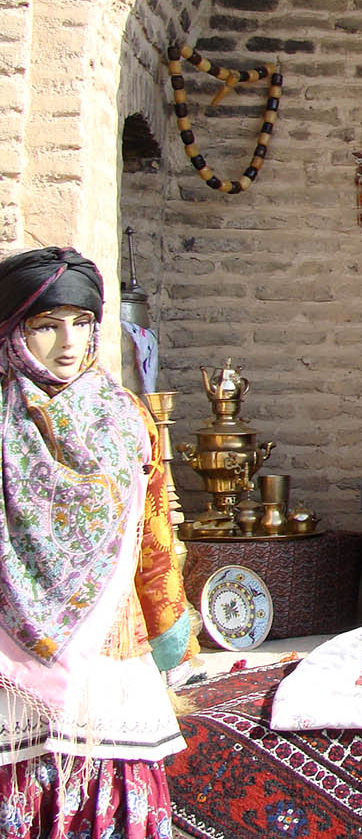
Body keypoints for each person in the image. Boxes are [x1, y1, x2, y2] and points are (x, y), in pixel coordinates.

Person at [0, 245, 194, 835]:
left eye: (82, 324)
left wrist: (171, 639)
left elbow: (155, 537)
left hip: (110, 654)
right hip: (9, 664)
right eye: (46, 325)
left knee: (110, 796)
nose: (68, 343)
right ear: (12, 331)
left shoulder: (125, 417)